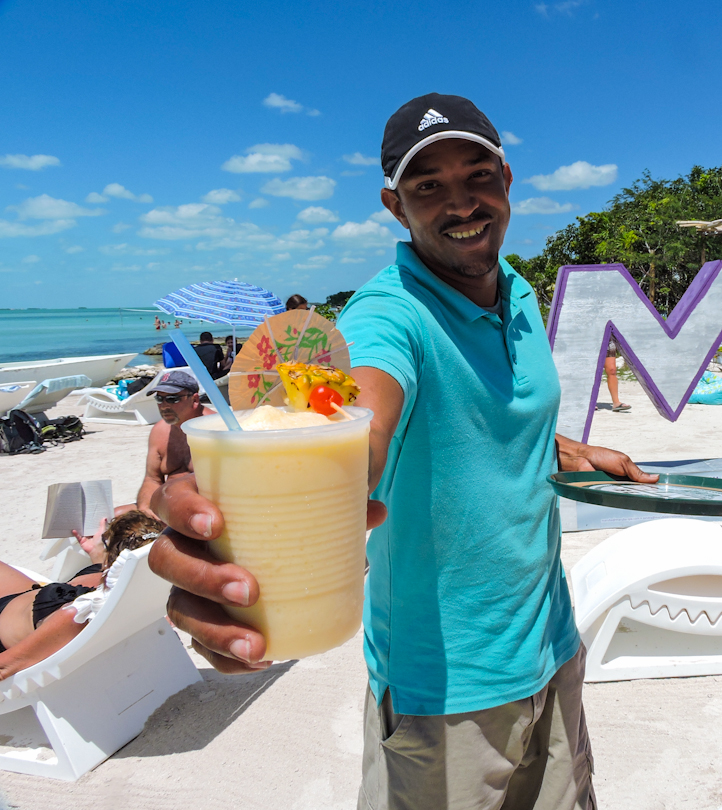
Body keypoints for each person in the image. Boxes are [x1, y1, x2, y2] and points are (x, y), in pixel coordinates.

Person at [148, 92, 658, 810]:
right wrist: (278, 511)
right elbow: (365, 420)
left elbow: (484, 416)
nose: (461, 203)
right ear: (395, 206)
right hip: (444, 691)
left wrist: (565, 449)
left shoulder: (516, 293)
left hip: (551, 644)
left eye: (476, 175)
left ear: (507, 183)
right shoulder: (388, 314)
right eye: (428, 186)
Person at [0, 511, 164, 680]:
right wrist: (97, 554)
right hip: (26, 601)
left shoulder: (78, 615)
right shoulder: (141, 592)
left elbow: (5, 667)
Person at [116, 371, 211, 519]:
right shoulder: (160, 431)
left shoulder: (216, 429)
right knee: (112, 516)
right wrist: (146, 509)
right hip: (163, 504)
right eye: (159, 399)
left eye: (172, 399)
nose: (164, 406)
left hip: (200, 510)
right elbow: (152, 479)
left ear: (195, 399)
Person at [604, 336, 630, 412]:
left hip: (608, 338)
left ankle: (616, 403)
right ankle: (590, 403)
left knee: (612, 370)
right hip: (592, 336)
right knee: (593, 371)